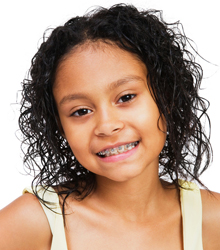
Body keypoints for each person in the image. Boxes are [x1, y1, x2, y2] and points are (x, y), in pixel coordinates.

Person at [0, 4, 219, 250]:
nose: (107, 125)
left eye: (126, 97)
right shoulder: (29, 224)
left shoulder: (214, 221)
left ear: (166, 98)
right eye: (81, 111)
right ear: (60, 127)